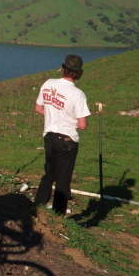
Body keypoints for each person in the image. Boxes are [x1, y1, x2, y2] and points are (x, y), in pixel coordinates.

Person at [33, 54, 91, 216]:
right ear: (79, 73)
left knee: (49, 174)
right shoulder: (77, 94)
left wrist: (54, 116)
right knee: (63, 180)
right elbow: (82, 125)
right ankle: (58, 215)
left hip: (49, 136)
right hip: (67, 139)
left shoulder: (48, 83)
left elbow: (38, 108)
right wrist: (67, 119)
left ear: (63, 68)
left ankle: (37, 207)